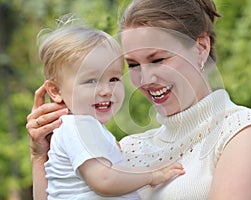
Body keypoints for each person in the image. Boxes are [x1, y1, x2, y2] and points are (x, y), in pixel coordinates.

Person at [26, 0, 251, 199]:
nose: (145, 78)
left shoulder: (242, 130)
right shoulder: (129, 147)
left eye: (158, 59)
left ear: (201, 47)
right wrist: (41, 156)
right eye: (133, 65)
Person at [33, 20, 185, 200]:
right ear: (56, 91)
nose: (106, 91)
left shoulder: (86, 129)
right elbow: (103, 180)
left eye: (113, 79)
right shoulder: (79, 126)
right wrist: (152, 175)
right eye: (91, 81)